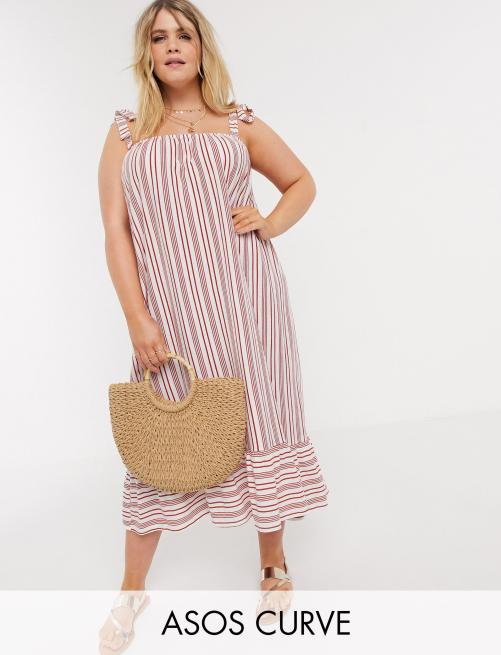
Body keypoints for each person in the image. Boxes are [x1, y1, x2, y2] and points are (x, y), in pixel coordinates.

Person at [97, 0, 329, 650]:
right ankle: (131, 590)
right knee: (160, 440)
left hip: (248, 303)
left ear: (202, 48)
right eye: (159, 37)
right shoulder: (126, 133)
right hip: (170, 314)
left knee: (261, 420)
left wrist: (269, 223)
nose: (172, 46)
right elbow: (115, 232)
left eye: (184, 35)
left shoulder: (236, 123)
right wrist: (137, 319)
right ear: (147, 54)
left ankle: (273, 565)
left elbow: (300, 182)